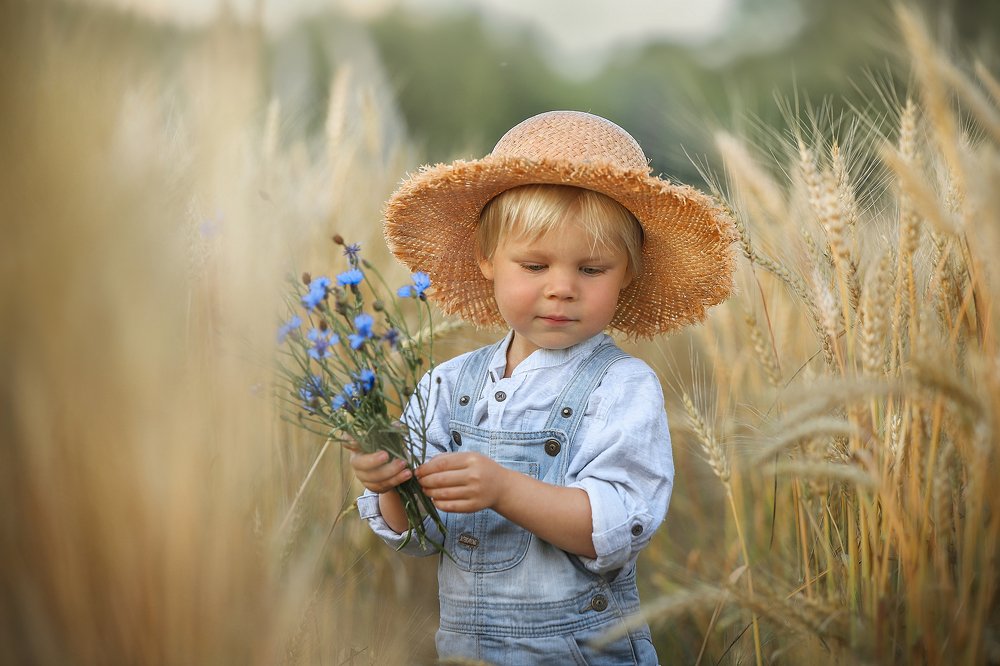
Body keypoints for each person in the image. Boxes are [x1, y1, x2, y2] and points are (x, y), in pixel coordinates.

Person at [351, 110, 735, 664]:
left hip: (580, 652)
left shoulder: (621, 388)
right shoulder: (447, 385)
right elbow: (421, 536)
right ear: (487, 260)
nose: (562, 289)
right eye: (534, 265)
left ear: (628, 271)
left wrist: (505, 490)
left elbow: (616, 527)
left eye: (592, 270)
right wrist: (389, 481)